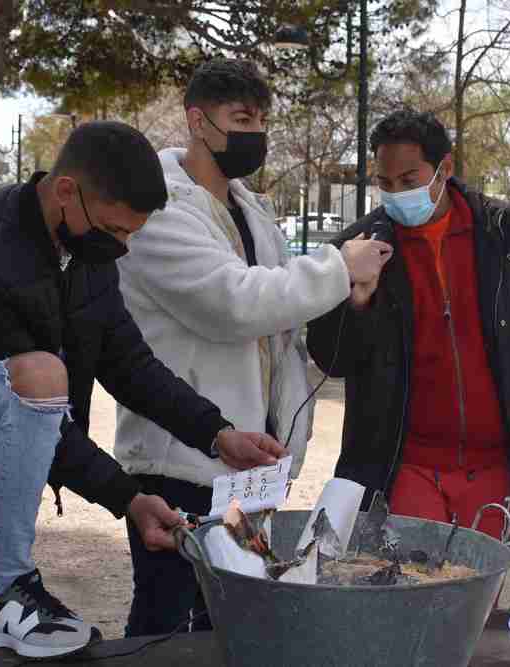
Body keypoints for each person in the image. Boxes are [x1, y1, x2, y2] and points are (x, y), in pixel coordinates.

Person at [0, 121, 285, 659]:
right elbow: (40, 415)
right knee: (42, 376)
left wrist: (217, 433)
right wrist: (129, 498)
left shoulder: (84, 250)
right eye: (116, 231)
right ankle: (10, 587)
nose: (122, 247)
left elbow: (129, 364)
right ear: (66, 190)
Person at [114, 58, 391, 638]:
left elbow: (281, 324)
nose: (255, 133)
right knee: (168, 619)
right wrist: (339, 266)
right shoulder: (157, 210)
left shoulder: (253, 210)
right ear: (196, 121)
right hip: (181, 459)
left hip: (252, 463)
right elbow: (234, 303)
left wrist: (350, 295)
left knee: (233, 615)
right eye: (240, 118)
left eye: (262, 119)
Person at [306, 109, 510, 541]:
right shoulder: (358, 247)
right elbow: (331, 359)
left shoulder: (509, 234)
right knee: (410, 593)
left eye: (409, 179)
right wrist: (356, 304)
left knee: (476, 595)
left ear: (445, 169)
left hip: (496, 466)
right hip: (405, 465)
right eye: (385, 183)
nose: (397, 193)